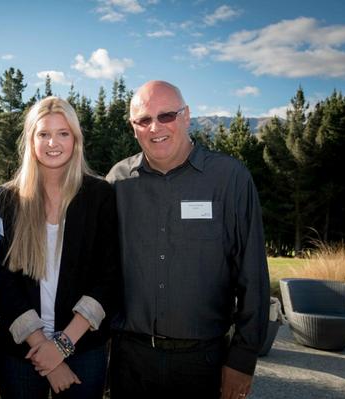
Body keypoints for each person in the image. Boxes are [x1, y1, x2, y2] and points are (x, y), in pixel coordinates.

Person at [106, 81, 270, 399]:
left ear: (186, 116)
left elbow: (253, 278)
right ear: (133, 127)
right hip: (130, 363)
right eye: (144, 120)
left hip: (204, 364)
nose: (155, 128)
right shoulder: (117, 183)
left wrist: (243, 360)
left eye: (166, 116)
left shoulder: (229, 179)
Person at [0, 96, 120, 399]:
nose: (54, 142)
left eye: (63, 133)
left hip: (84, 347)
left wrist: (62, 346)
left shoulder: (99, 194)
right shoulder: (8, 199)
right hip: (20, 350)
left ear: (75, 140)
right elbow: (2, 283)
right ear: (31, 140)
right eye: (44, 134)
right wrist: (45, 354)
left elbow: (109, 277)